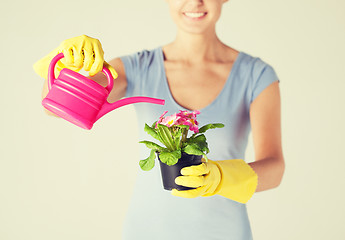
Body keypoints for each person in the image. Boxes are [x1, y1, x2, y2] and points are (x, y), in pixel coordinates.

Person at [34, 0, 285, 239]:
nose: (195, 2)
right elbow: (55, 107)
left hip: (225, 233)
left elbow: (274, 169)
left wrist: (221, 177)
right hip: (147, 232)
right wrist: (64, 61)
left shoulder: (257, 75)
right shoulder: (136, 68)